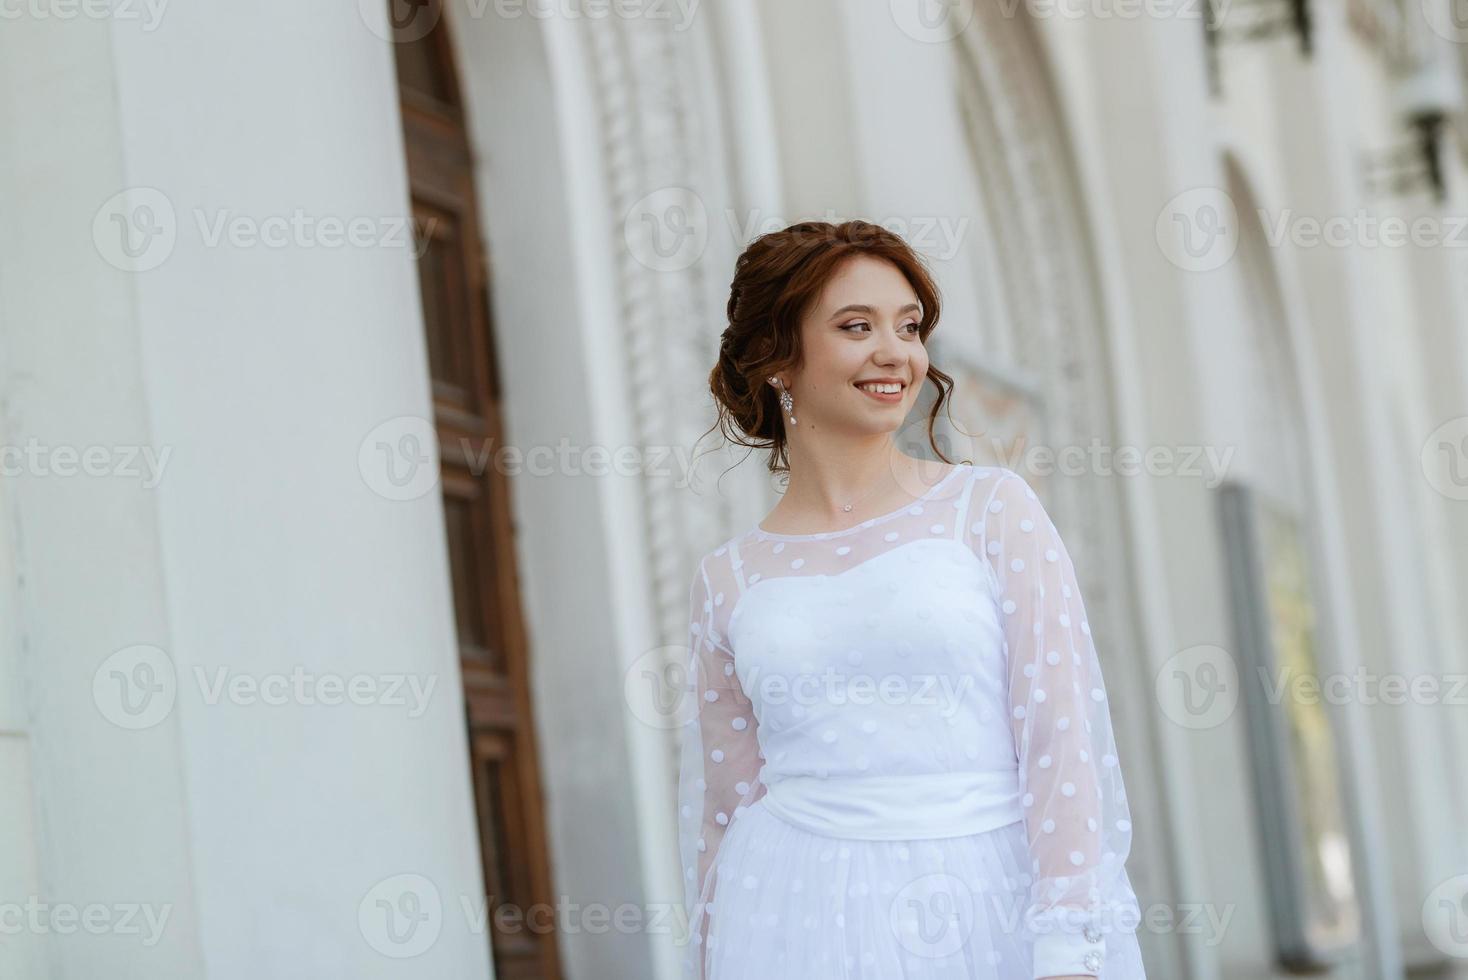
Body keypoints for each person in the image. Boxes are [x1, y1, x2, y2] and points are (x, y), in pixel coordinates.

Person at [677, 220, 1147, 978]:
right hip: (794, 917)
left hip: (990, 903)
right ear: (777, 359)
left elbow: (1061, 737)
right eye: (855, 326)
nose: (895, 352)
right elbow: (727, 803)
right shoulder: (729, 578)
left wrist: (1069, 937)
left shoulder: (991, 508)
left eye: (909, 326)